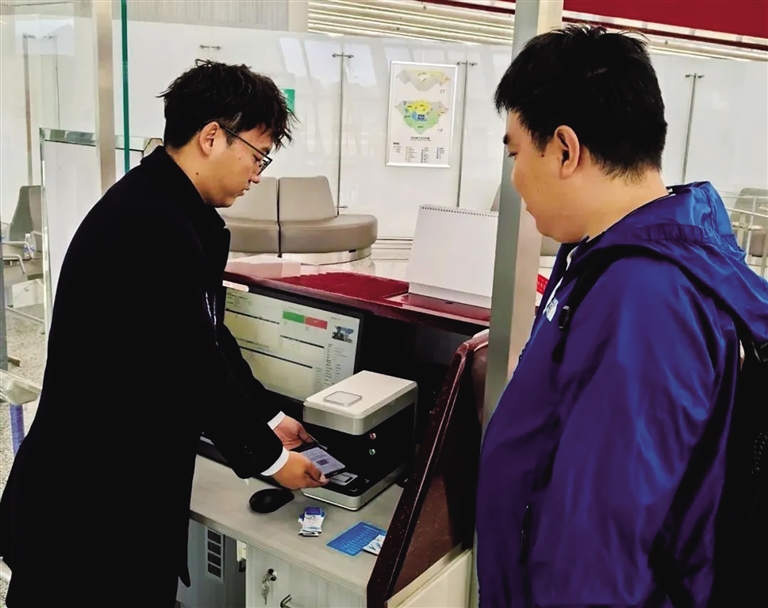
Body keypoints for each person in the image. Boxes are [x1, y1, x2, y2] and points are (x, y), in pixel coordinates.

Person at [0, 60, 326, 608]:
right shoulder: (152, 224)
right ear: (212, 137)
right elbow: (192, 362)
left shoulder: (168, 207)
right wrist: (270, 460)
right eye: (258, 154)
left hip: (106, 496)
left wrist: (269, 416)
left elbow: (209, 334)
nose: (258, 173)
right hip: (88, 513)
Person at [476, 25, 768, 607]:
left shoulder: (646, 297)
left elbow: (602, 545)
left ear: (565, 149)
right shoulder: (611, 254)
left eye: (515, 152)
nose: (513, 177)